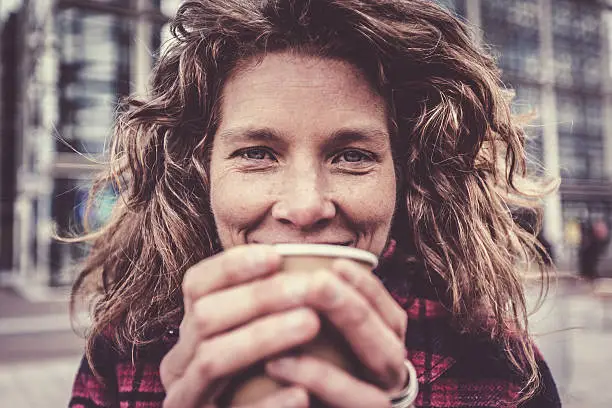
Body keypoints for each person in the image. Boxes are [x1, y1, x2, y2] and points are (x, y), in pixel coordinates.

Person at [67, 0, 561, 407]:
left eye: (352, 156)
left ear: (406, 178)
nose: (305, 207)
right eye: (257, 154)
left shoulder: (501, 366)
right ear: (200, 174)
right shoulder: (123, 352)